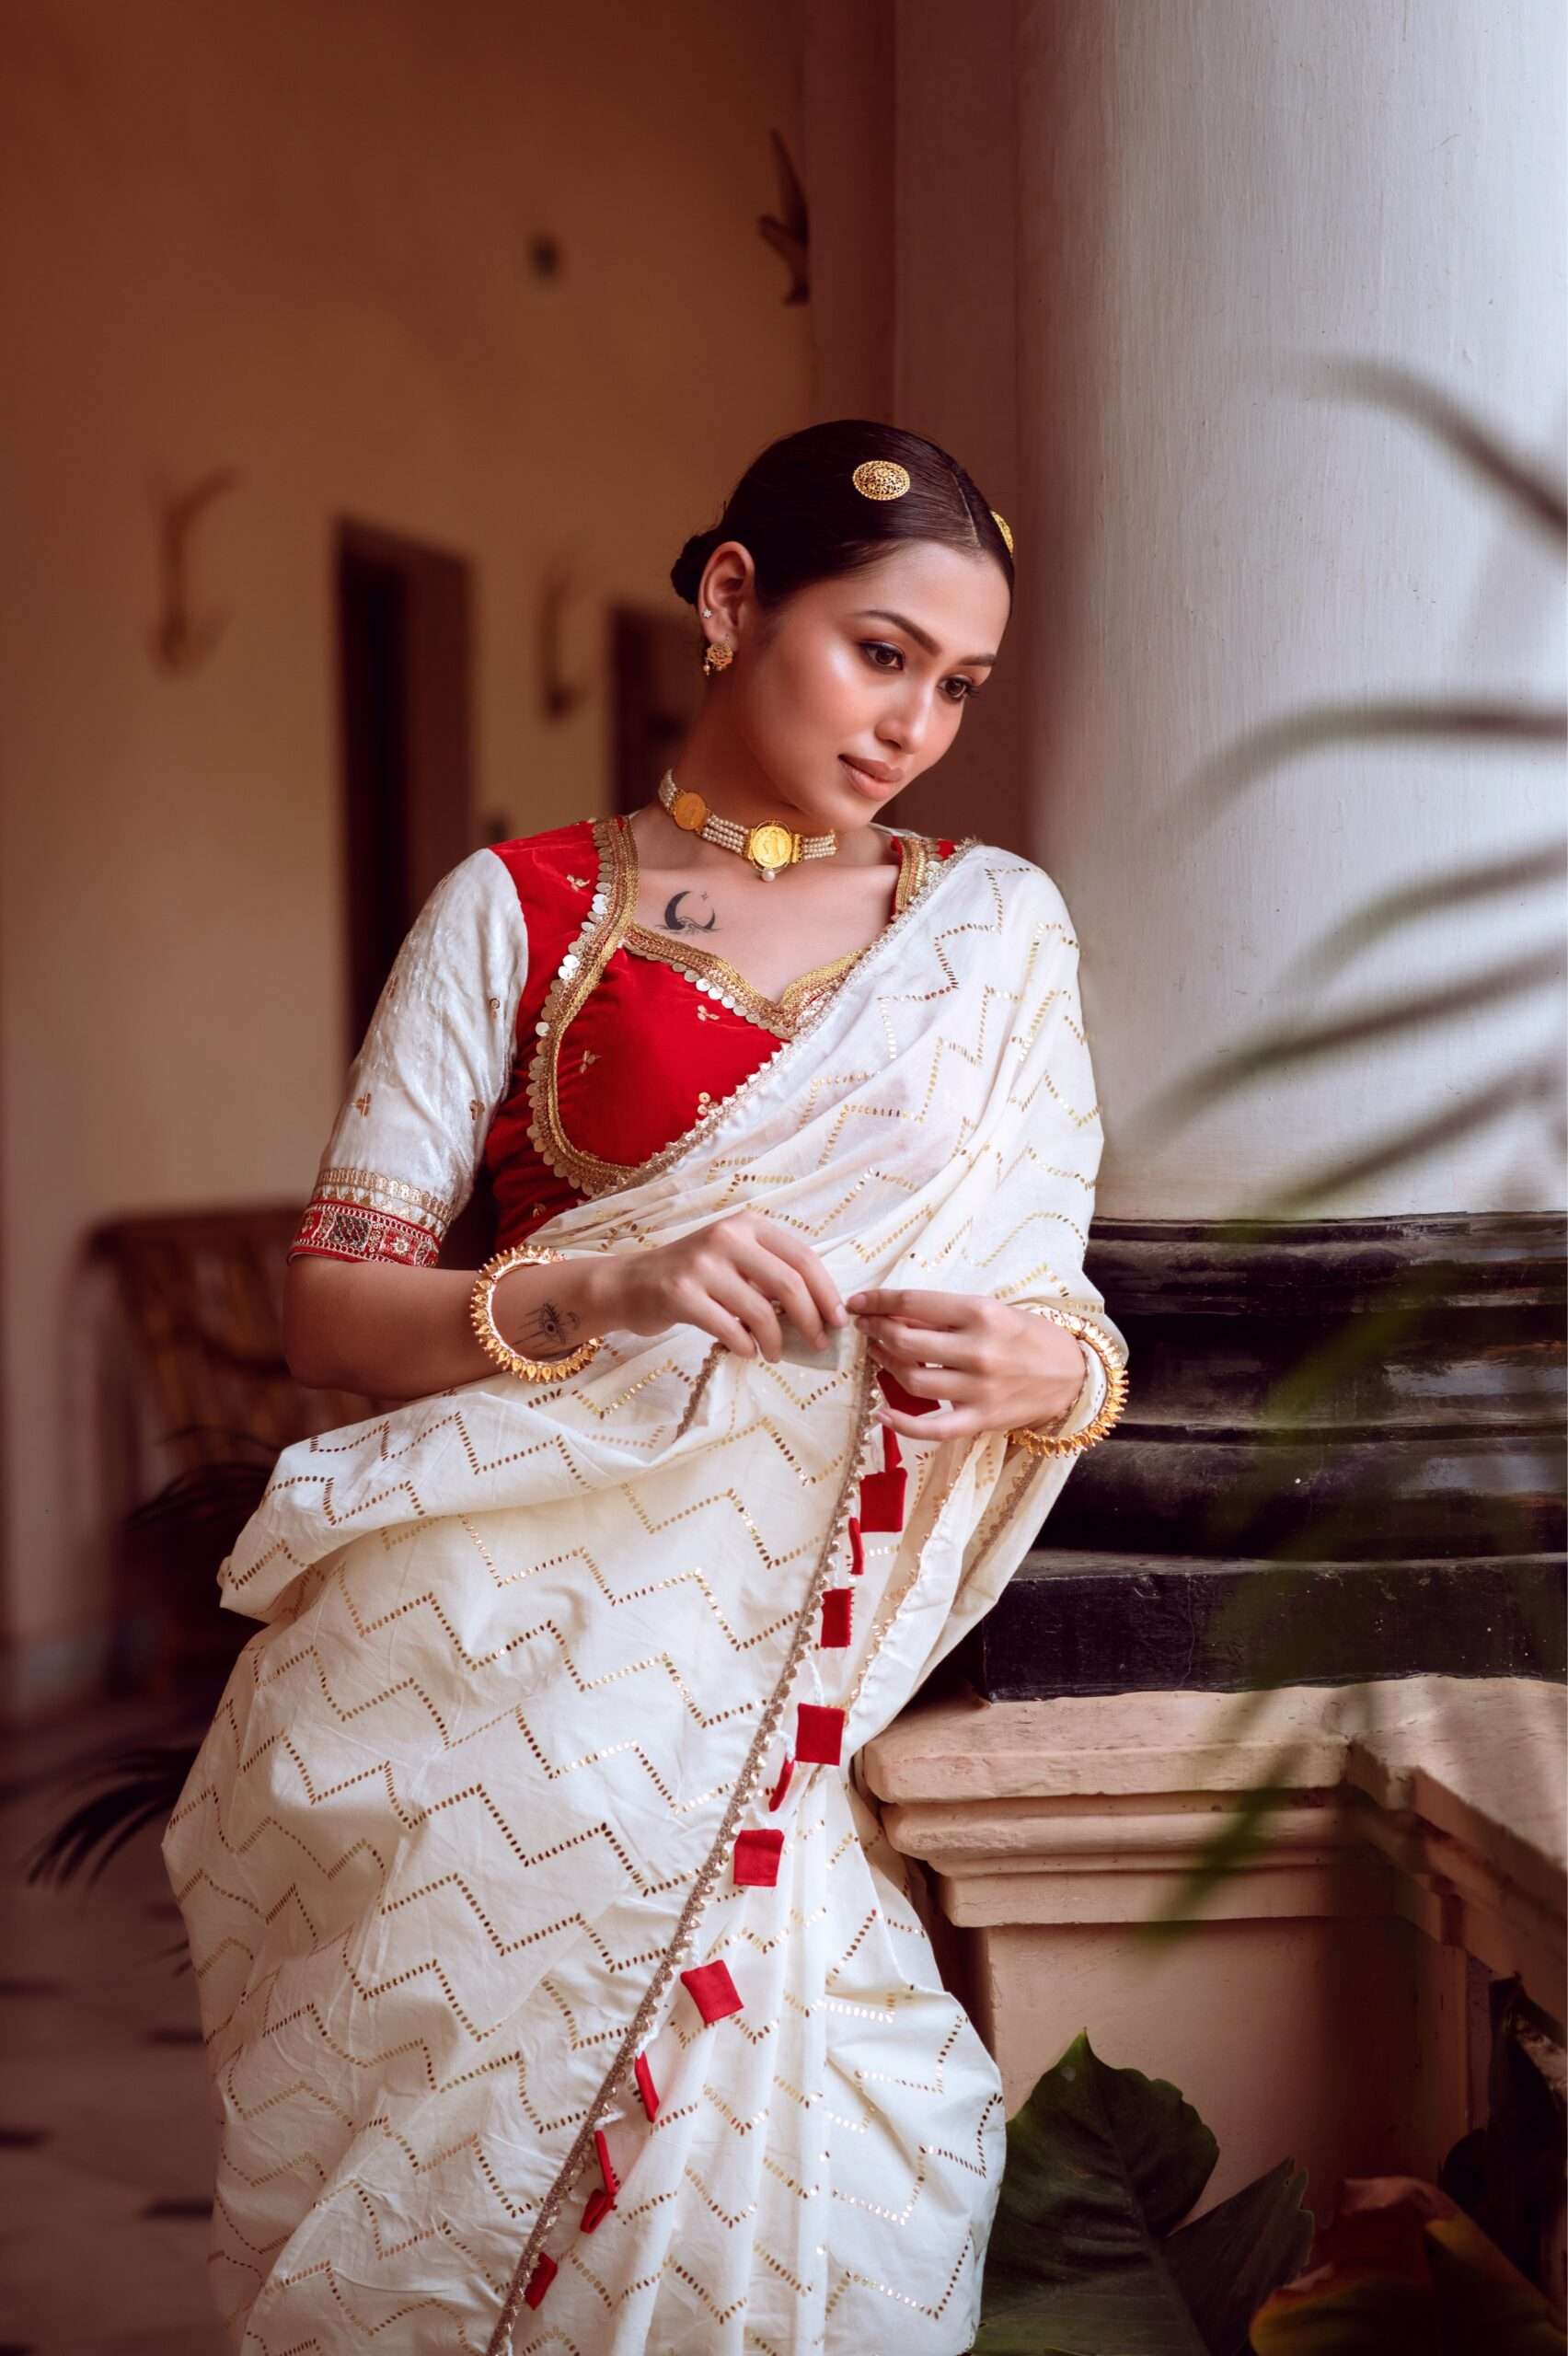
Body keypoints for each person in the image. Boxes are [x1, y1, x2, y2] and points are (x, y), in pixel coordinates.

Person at [162, 419, 1129, 2356]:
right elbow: (331, 1311)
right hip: (475, 1672)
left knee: (849, 2164)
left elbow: (1062, 1314)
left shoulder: (989, 931)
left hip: (757, 1709)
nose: (913, 723)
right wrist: (609, 1281)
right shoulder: (516, 907)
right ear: (729, 598)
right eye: (879, 652)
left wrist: (1055, 1367)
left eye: (958, 686)